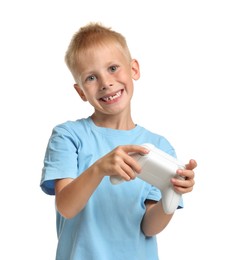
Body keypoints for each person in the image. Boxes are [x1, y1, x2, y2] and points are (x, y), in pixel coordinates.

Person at [40, 22, 197, 260]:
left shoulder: (159, 146)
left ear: (134, 69)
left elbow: (149, 227)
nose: (105, 83)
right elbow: (66, 207)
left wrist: (170, 194)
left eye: (113, 68)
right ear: (81, 91)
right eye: (91, 77)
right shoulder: (68, 136)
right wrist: (100, 168)